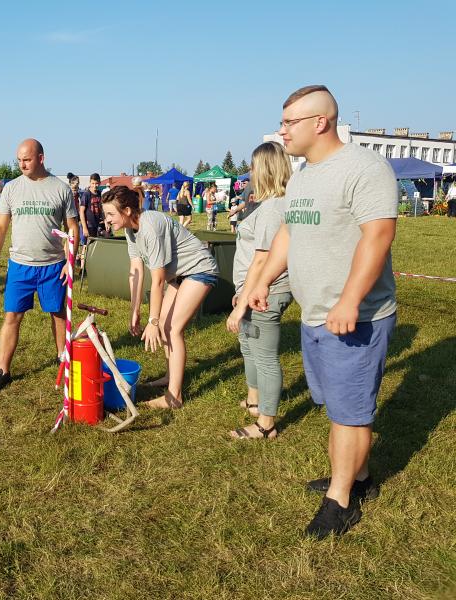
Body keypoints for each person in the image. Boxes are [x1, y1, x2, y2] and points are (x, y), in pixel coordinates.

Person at [249, 85, 398, 539]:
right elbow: (289, 235)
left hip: (356, 316)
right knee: (338, 405)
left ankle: (339, 502)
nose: (282, 130)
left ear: (321, 122)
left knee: (349, 415)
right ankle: (361, 478)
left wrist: (350, 300)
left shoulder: (365, 168)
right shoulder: (304, 175)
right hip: (314, 313)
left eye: (290, 122)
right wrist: (261, 281)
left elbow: (378, 236)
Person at [102, 185, 219, 409]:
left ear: (126, 211)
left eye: (110, 214)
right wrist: (134, 311)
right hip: (179, 276)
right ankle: (169, 378)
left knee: (171, 329)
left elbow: (157, 280)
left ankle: (174, 397)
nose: (107, 220)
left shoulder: (151, 226)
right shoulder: (129, 230)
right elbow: (136, 271)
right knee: (167, 327)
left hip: (199, 270)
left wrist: (152, 321)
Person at [0, 138, 79, 392]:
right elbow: (1, 226)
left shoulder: (60, 189)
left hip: (53, 266)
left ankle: (63, 359)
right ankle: (3, 370)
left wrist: (70, 261)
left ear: (41, 158)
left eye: (26, 159)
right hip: (20, 266)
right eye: (19, 160)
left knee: (59, 315)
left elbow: (72, 228)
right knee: (12, 316)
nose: (22, 164)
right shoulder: (12, 188)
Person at [225, 142, 294, 440]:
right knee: (249, 344)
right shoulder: (270, 205)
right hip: (252, 290)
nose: (250, 173)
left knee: (264, 356)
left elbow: (262, 260)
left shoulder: (273, 209)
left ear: (264, 169)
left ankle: (266, 424)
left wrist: (240, 307)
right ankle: (255, 400)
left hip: (267, 292)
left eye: (253, 167)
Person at [79, 173, 105, 242]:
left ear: (99, 183)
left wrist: (105, 221)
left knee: (97, 243)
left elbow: (102, 209)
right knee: (87, 245)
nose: (94, 185)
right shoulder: (86, 194)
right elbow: (81, 211)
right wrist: (84, 227)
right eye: (93, 183)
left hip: (97, 224)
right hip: (88, 225)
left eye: (96, 183)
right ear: (90, 182)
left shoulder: (99, 193)